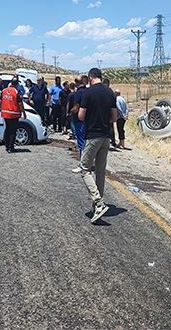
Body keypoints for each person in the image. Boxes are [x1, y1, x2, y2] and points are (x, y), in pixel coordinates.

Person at [76, 67, 118, 223]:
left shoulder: (88, 93)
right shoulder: (110, 92)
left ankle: (99, 203)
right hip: (106, 136)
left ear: (91, 78)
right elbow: (114, 118)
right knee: (100, 171)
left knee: (84, 169)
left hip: (92, 135)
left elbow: (81, 116)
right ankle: (97, 206)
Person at [0, 76, 26, 153]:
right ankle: (11, 147)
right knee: (13, 131)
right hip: (14, 114)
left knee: (7, 129)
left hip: (5, 113)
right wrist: (23, 113)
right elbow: (20, 103)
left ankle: (7, 145)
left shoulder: (4, 91)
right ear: (17, 84)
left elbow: (0, 100)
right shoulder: (17, 92)